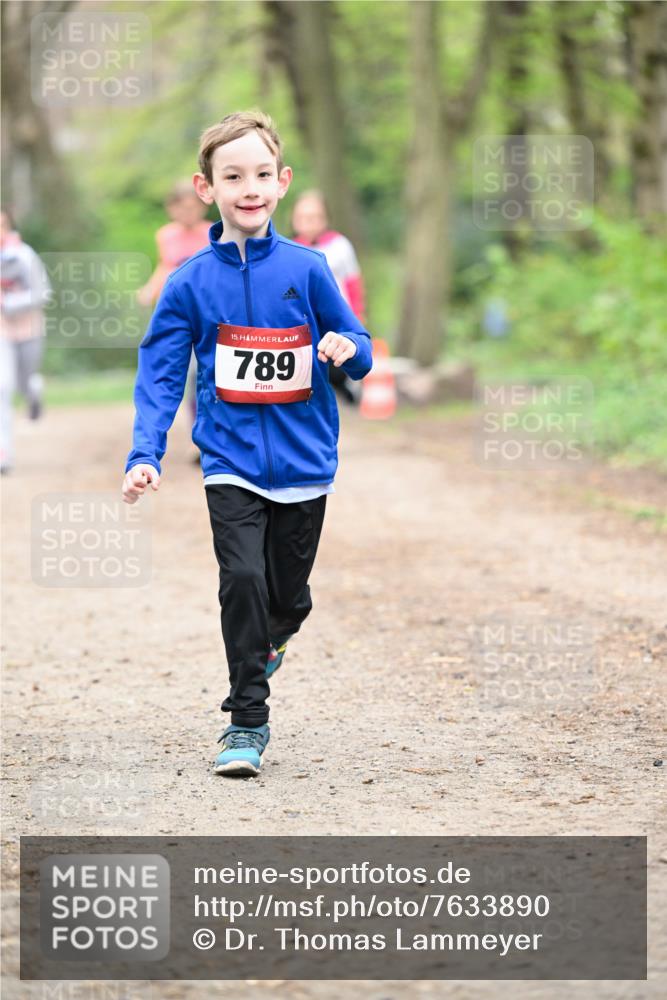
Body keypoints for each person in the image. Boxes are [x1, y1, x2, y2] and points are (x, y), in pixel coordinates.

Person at [121, 111, 373, 777]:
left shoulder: (309, 268)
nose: (249, 186)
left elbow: (364, 350)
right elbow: (160, 372)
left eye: (261, 174)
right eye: (232, 176)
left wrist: (347, 350)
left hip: (304, 461)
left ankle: (278, 633)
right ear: (207, 189)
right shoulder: (189, 281)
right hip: (228, 459)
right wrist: (145, 453)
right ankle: (246, 723)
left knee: (287, 597)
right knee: (242, 579)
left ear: (282, 182)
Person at [136, 181, 211, 445]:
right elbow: (165, 267)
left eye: (193, 208)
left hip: (206, 315)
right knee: (186, 376)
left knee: (202, 375)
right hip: (178, 315)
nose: (188, 213)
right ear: (172, 209)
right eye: (182, 208)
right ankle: (198, 436)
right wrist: (149, 289)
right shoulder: (166, 235)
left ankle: (209, 433)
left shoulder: (212, 233)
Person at [291, 190, 366, 405]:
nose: (308, 223)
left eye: (314, 217)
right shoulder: (292, 249)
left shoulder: (340, 246)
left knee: (338, 361)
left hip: (337, 317)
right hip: (307, 322)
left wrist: (358, 315)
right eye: (303, 218)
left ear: (325, 219)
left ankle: (348, 389)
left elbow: (353, 281)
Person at [0, 209, 52, 475]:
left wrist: (8, 303)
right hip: (2, 332)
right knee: (3, 387)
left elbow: (42, 293)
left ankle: (34, 391)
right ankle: (3, 452)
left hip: (28, 328)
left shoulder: (23, 255)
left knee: (25, 380)